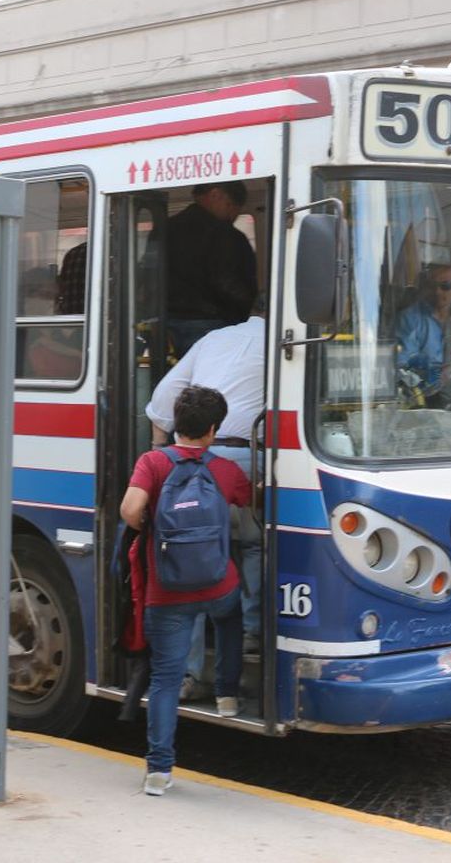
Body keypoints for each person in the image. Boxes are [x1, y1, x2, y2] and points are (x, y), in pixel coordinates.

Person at [120, 386, 249, 797]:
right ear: (213, 429)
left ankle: (159, 771)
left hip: (167, 592)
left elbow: (128, 509)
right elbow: (250, 503)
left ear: (176, 422)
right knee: (231, 617)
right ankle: (227, 694)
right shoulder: (226, 469)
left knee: (165, 679)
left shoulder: (153, 463)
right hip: (216, 584)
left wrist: (153, 529)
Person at [145, 314, 265, 696]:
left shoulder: (216, 337)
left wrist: (160, 451)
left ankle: (188, 674)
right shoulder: (287, 341)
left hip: (194, 454)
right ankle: (250, 631)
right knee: (254, 544)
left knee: (192, 557)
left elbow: (165, 397)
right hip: (246, 459)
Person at [166, 182, 258, 356]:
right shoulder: (227, 235)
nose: (233, 215)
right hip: (211, 323)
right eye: (231, 207)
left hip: (167, 323)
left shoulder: (165, 229)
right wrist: (249, 312)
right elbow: (228, 282)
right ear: (215, 195)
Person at [396, 262, 451, 408]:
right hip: (426, 400)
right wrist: (441, 375)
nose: (438, 292)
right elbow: (405, 368)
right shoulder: (410, 319)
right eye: (432, 286)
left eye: (445, 286)